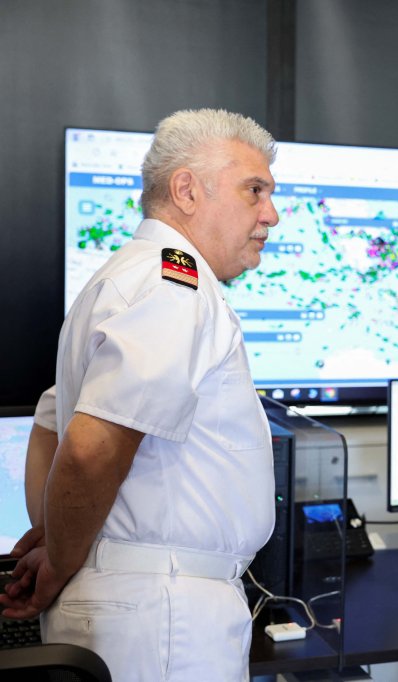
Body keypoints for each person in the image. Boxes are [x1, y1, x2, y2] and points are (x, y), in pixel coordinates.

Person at [0, 108, 280, 681]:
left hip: (138, 603)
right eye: (254, 191)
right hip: (166, 614)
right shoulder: (175, 283)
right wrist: (58, 558)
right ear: (186, 190)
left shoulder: (120, 277)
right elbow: (87, 448)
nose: (270, 215)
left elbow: (49, 423)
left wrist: (57, 539)